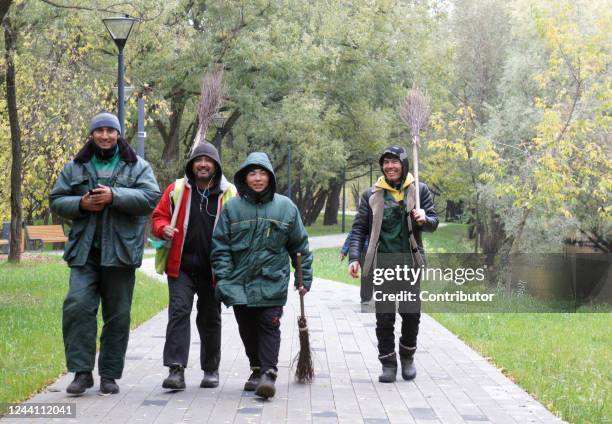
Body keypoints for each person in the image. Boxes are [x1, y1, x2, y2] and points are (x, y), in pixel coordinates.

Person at [50, 111, 161, 395]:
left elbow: (151, 197)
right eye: (99, 130)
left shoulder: (136, 166)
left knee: (118, 316)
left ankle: (109, 375)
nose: (104, 135)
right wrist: (81, 204)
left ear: (118, 134)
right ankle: (82, 373)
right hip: (84, 253)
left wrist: (115, 196)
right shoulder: (75, 167)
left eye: (110, 131)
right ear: (92, 134)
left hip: (121, 253)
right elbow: (56, 199)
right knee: (77, 307)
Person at [211, 152, 312, 399]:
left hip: (272, 280)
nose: (257, 178)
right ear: (245, 177)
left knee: (269, 324)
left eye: (263, 173)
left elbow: (300, 246)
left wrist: (303, 279)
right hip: (239, 282)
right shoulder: (232, 208)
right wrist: (223, 279)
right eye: (252, 173)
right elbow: (220, 246)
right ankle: (256, 369)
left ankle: (269, 373)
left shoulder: (285, 207)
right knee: (246, 327)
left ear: (270, 177)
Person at [348, 145, 438, 383]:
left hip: (410, 264)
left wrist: (424, 218)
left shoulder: (419, 191)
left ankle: (407, 357)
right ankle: (388, 363)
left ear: (403, 164)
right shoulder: (372, 195)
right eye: (386, 162)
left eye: (394, 162)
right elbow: (359, 229)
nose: (389, 166)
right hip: (383, 266)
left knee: (411, 315)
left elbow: (434, 221)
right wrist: (355, 257)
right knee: (384, 317)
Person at [151, 142, 237, 390]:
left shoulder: (229, 193)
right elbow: (158, 216)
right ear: (191, 164)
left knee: (210, 318)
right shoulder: (177, 189)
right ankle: (175, 370)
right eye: (198, 159)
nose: (203, 164)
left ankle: (211, 370)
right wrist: (162, 228)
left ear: (216, 165)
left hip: (213, 270)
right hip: (182, 267)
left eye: (208, 160)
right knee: (179, 313)